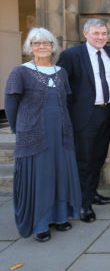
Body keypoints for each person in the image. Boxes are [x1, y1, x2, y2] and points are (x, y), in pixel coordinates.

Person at [5, 27, 81, 242]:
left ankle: (59, 217)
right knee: (41, 178)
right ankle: (41, 224)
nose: (41, 47)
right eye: (36, 43)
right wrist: (18, 129)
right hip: (34, 135)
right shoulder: (20, 72)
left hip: (61, 133)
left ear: (52, 47)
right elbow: (11, 105)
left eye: (46, 43)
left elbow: (65, 102)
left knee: (59, 174)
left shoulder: (61, 72)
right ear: (30, 47)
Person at [57, 18, 110, 224]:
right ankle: (83, 205)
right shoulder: (71, 55)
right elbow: (61, 88)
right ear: (85, 34)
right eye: (96, 33)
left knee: (98, 158)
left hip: (106, 113)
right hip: (84, 117)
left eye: (104, 33)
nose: (101, 37)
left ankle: (92, 194)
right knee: (84, 161)